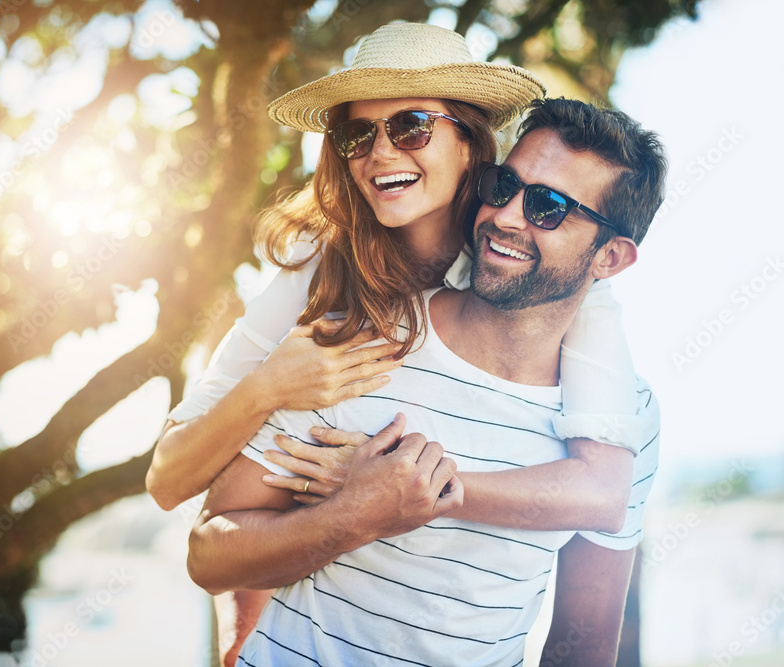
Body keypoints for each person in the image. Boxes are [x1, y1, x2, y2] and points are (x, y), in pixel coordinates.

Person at [147, 22, 658, 663]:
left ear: (472, 143)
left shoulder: (552, 291)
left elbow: (603, 494)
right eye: (357, 134)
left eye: (411, 125)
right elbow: (177, 490)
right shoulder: (326, 290)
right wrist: (272, 386)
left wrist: (408, 488)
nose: (380, 152)